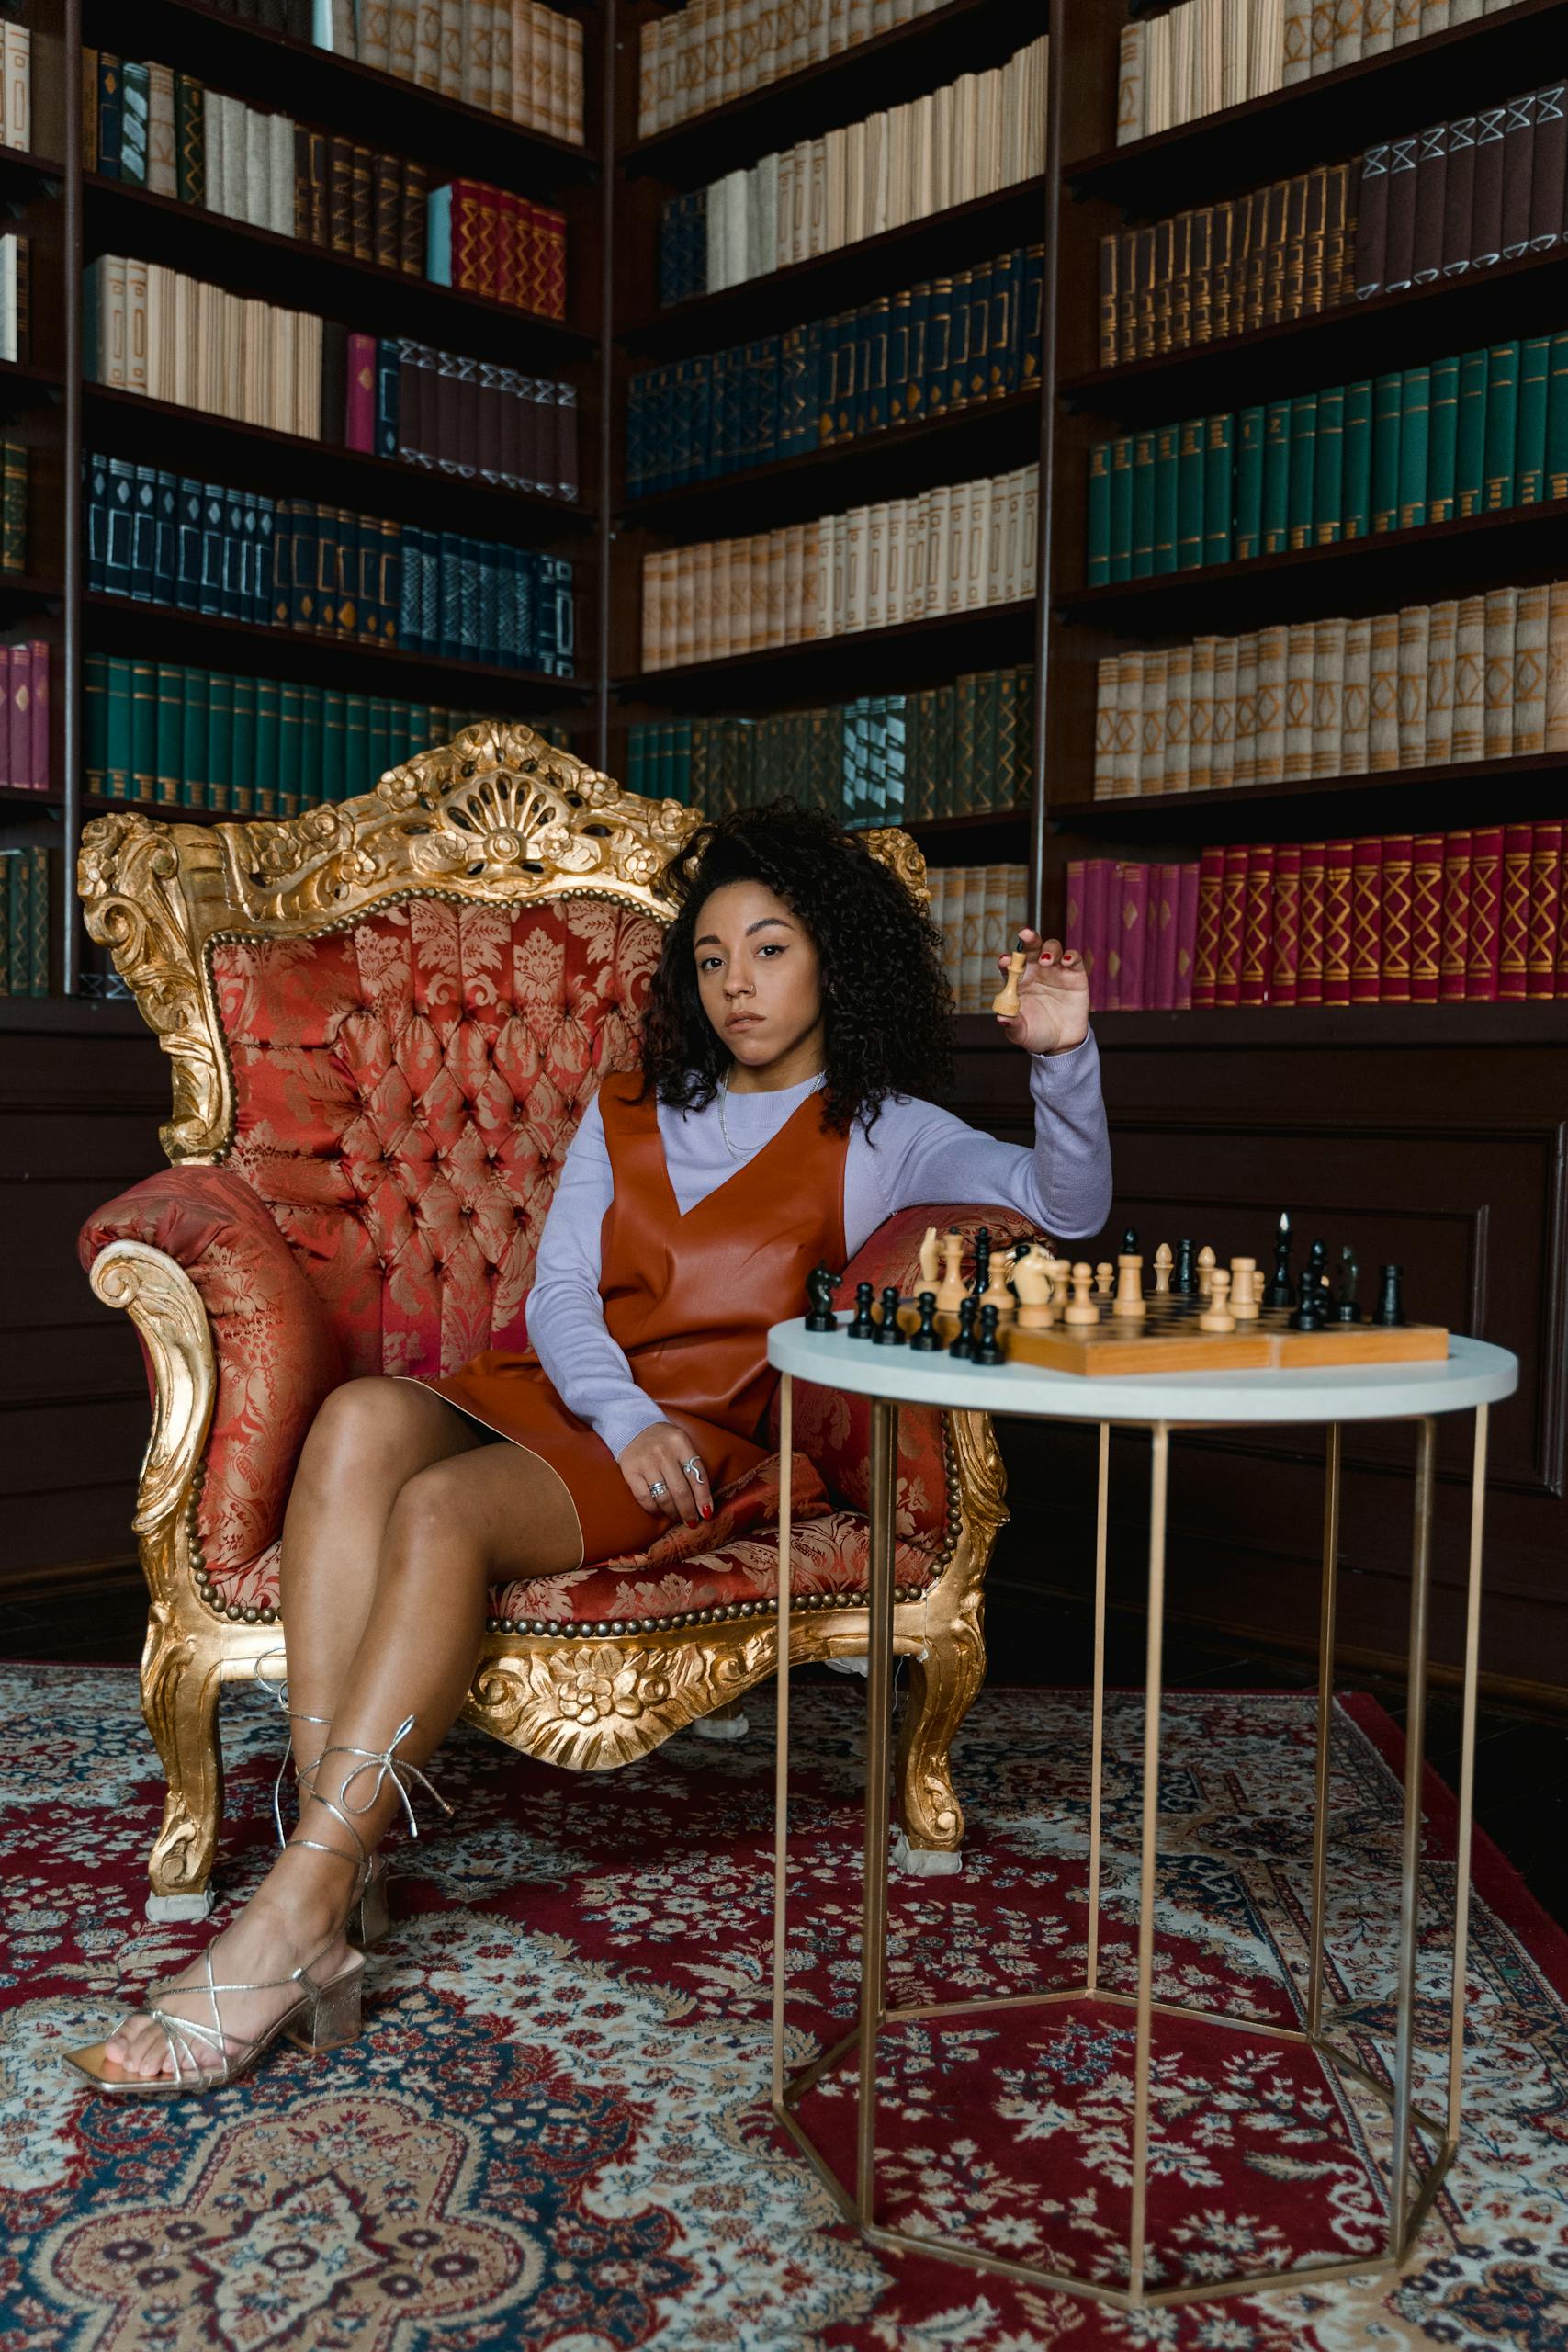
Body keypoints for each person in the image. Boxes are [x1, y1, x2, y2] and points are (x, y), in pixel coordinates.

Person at [68, 802, 1111, 2092]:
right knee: (355, 1420)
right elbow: (561, 1295)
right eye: (715, 958)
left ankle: (291, 1918)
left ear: (834, 961)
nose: (739, 984)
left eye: (772, 949)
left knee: (442, 1512)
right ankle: (341, 1878)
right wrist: (618, 1413)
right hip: (583, 1399)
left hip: (707, 1443)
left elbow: (1069, 1207)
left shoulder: (888, 1132)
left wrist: (1064, 1058)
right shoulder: (631, 1104)